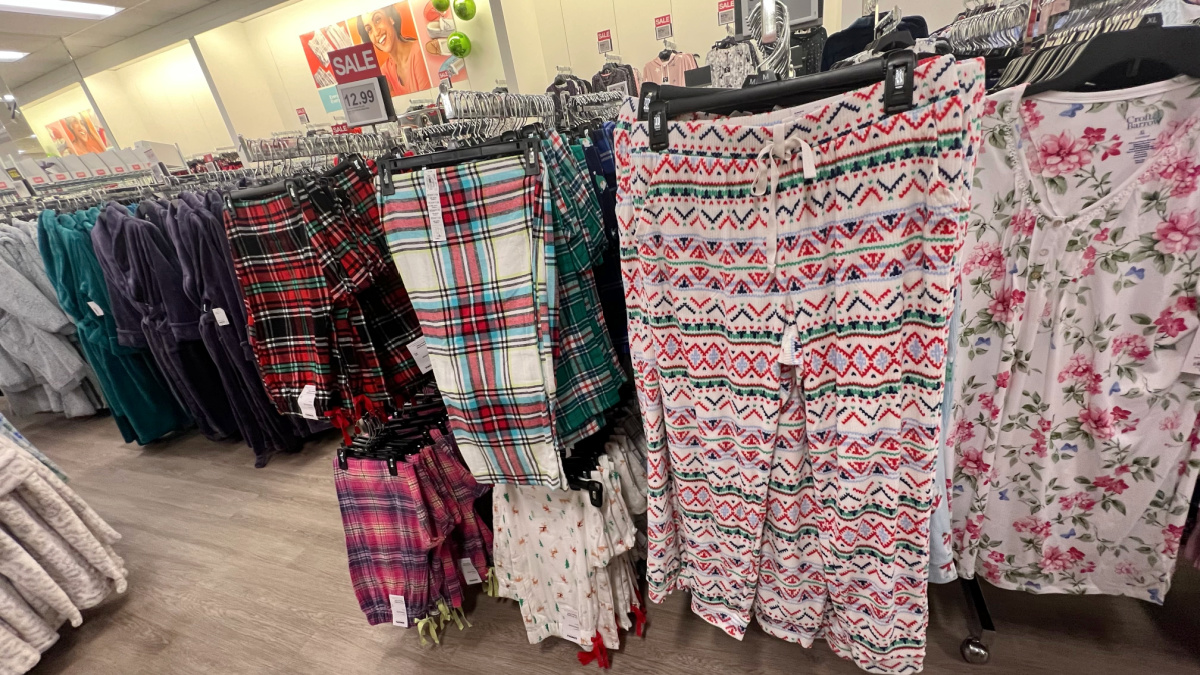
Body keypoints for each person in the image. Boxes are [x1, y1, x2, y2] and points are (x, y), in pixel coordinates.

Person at [356, 4, 431, 97]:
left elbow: (429, 102)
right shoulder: (385, 71)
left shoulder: (419, 52)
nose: (376, 32)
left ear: (391, 18)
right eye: (369, 29)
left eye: (378, 20)